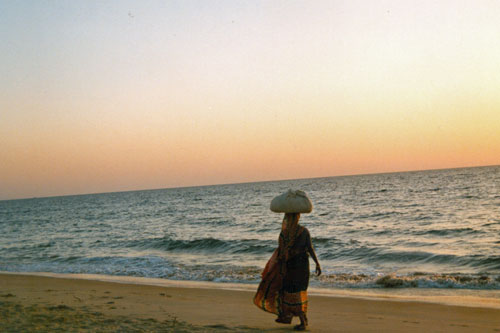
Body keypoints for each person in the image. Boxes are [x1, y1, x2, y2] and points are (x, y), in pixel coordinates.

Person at [254, 212, 321, 331]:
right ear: (297, 217)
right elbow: (309, 248)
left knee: (292, 291)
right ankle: (295, 317)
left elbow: (282, 250)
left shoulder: (285, 233)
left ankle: (301, 321)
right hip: (300, 265)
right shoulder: (303, 231)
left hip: (292, 266)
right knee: (295, 291)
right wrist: (317, 263)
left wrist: (317, 263)